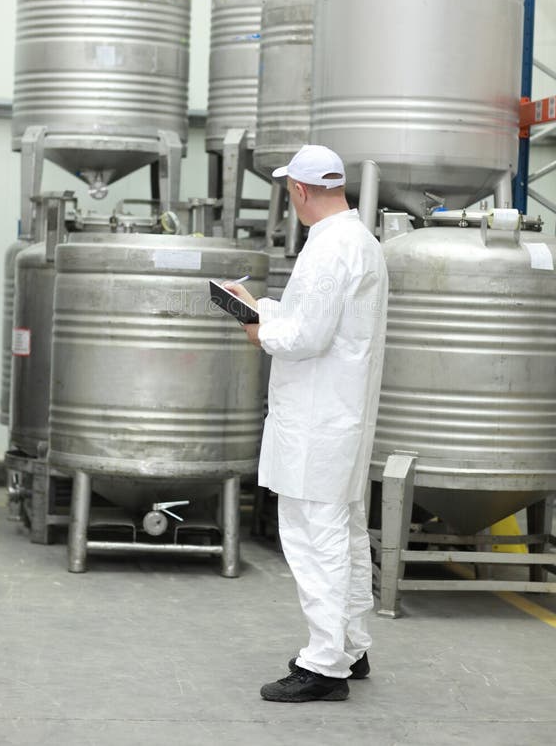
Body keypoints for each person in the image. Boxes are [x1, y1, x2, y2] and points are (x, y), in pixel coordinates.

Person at [225, 144, 388, 703]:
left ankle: (324, 666)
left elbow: (306, 338)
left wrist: (258, 330)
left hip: (318, 422)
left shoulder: (328, 249)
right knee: (342, 532)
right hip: (341, 415)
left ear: (297, 191)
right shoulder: (359, 240)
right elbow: (326, 325)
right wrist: (267, 309)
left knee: (314, 537)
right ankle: (350, 644)